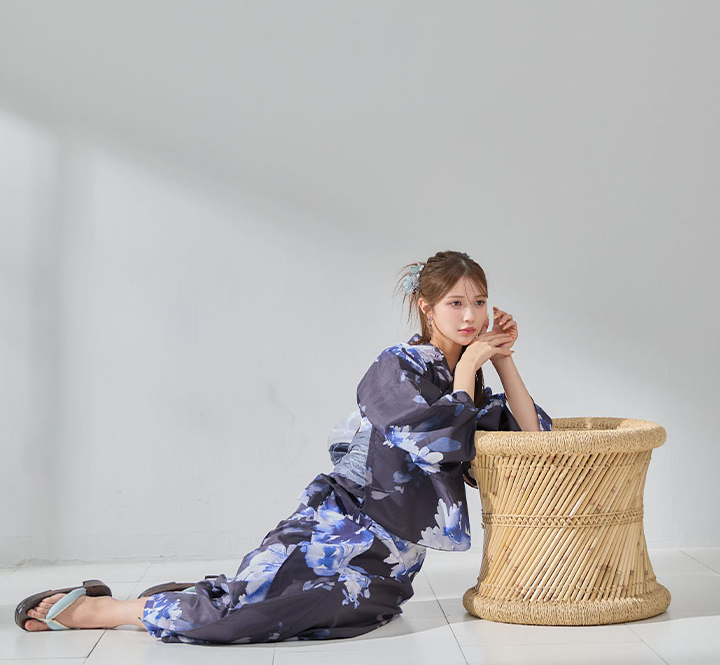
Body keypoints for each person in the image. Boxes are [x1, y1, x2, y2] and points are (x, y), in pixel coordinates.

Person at [16, 249, 551, 642]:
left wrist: (503, 359)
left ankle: (180, 598)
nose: (470, 316)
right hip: (339, 524)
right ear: (426, 307)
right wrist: (470, 365)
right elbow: (437, 443)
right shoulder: (395, 366)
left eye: (479, 302)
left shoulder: (469, 383)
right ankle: (106, 612)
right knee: (244, 611)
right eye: (456, 303)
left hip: (390, 558)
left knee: (322, 617)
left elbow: (533, 444)